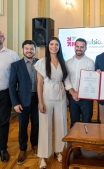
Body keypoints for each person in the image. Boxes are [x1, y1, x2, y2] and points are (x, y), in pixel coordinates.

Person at [34, 37, 68, 168]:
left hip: (61, 96)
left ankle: (58, 151)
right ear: (48, 46)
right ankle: (43, 156)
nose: (54, 46)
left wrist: (67, 98)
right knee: (45, 126)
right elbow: (39, 84)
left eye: (57, 45)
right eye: (52, 44)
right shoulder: (42, 62)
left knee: (61, 124)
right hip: (47, 97)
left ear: (59, 47)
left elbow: (65, 80)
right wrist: (40, 102)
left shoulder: (62, 61)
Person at [9, 40, 39, 164]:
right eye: (27, 48)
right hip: (22, 101)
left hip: (38, 100)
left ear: (35, 50)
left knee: (36, 125)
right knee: (23, 126)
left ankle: (35, 144)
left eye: (32, 49)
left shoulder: (40, 63)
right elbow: (12, 86)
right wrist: (15, 103)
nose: (29, 51)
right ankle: (22, 149)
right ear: (22, 50)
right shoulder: (16, 65)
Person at [64, 38, 94, 127]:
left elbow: (90, 81)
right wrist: (73, 93)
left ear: (86, 48)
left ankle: (85, 140)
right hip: (72, 97)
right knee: (74, 123)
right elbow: (66, 79)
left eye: (82, 47)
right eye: (77, 46)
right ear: (74, 47)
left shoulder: (90, 62)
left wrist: (80, 93)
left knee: (87, 123)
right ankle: (74, 141)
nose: (79, 49)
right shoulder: (68, 62)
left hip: (86, 98)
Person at [0, 31, 19, 163]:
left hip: (4, 94)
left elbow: (20, 73)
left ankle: (2, 148)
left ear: (3, 38)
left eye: (0, 36)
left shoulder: (12, 55)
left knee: (3, 121)